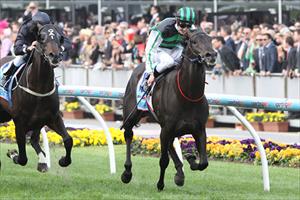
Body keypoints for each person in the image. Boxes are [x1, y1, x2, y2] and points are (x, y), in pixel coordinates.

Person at [0, 11, 71, 87]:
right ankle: (6, 76)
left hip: (44, 53)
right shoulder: (25, 27)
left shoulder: (52, 27)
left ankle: (53, 81)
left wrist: (59, 48)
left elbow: (67, 42)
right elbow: (17, 49)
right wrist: (28, 48)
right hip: (28, 51)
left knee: (51, 60)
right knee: (19, 59)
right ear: (35, 25)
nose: (45, 29)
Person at [145, 7, 196, 87]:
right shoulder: (163, 28)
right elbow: (150, 49)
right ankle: (150, 78)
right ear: (177, 21)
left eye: (188, 26)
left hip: (174, 48)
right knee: (169, 62)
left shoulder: (192, 29)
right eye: (182, 25)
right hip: (159, 49)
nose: (185, 29)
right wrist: (151, 72)